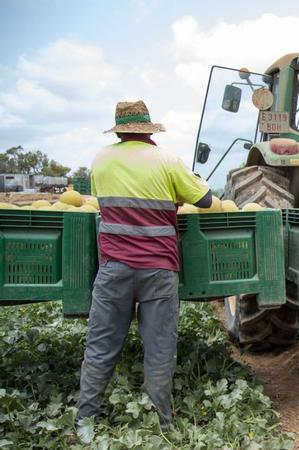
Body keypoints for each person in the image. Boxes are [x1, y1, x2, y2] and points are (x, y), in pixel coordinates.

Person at [77, 100, 212, 429]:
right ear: (148, 130)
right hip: (158, 269)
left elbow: (107, 202)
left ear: (119, 130)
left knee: (101, 345)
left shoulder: (102, 159)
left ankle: (85, 422)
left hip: (114, 268)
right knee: (159, 347)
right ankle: (163, 424)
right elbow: (206, 201)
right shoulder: (167, 160)